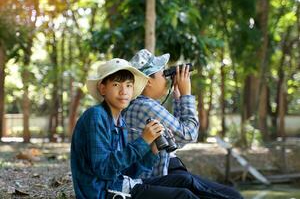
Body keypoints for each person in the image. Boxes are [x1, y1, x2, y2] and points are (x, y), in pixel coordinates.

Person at [70, 58, 212, 199]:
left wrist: (151, 151)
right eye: (115, 84)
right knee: (183, 195)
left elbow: (127, 172)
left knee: (184, 180)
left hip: (123, 184)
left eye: (129, 85)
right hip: (106, 193)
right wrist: (143, 141)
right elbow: (104, 169)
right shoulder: (96, 116)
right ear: (102, 88)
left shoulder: (119, 121)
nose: (123, 91)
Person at [124, 49, 243, 199]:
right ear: (148, 81)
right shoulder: (145, 106)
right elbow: (189, 135)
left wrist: (178, 98)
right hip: (161, 176)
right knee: (233, 196)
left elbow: (177, 138)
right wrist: (187, 94)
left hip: (168, 171)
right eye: (163, 74)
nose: (167, 79)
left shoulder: (139, 104)